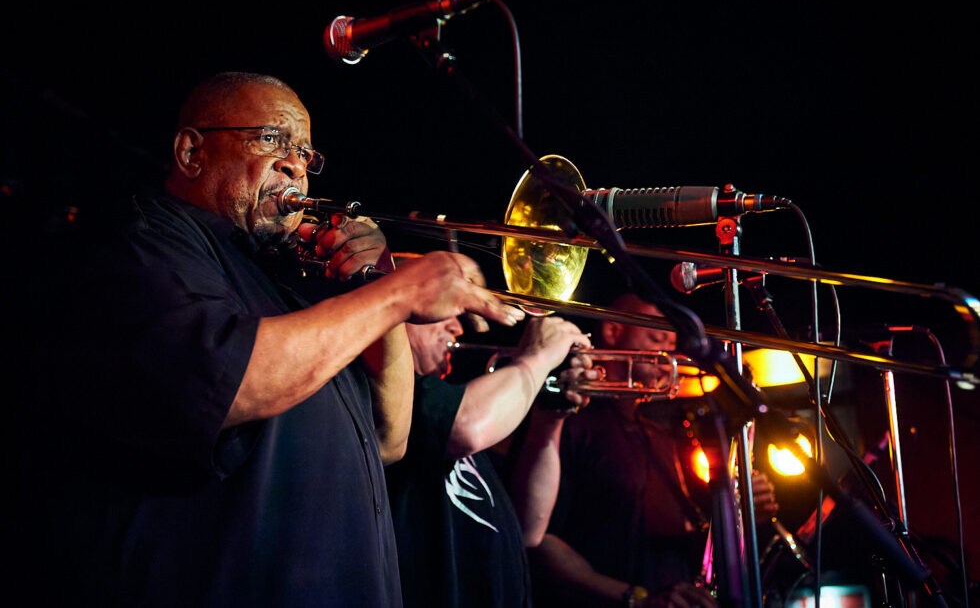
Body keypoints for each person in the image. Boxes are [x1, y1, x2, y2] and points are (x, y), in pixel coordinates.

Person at [20, 72, 524, 607]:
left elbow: (389, 438)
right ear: (192, 153)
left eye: (305, 153)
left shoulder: (291, 280)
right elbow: (228, 380)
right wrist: (397, 294)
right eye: (271, 139)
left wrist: (376, 283)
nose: (295, 166)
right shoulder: (142, 241)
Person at [528, 293, 777, 608]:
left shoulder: (663, 433)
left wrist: (738, 508)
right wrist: (635, 598)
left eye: (671, 342)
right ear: (613, 331)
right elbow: (539, 540)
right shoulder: (567, 418)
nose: (668, 351)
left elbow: (682, 531)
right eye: (656, 336)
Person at [386, 269, 593, 607]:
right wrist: (538, 358)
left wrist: (548, 420)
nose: (457, 327)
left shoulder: (451, 406)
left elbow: (530, 527)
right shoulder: (402, 400)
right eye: (441, 311)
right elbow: (467, 427)